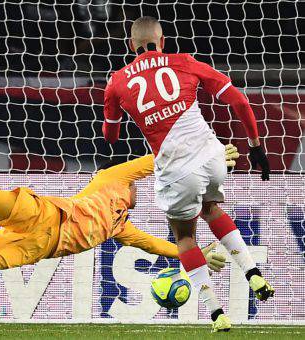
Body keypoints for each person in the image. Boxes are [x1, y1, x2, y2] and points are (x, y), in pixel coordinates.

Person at [102, 16, 274, 332]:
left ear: (131, 45)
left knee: (184, 237)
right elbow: (238, 99)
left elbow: (110, 137)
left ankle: (216, 312)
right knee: (209, 208)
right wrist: (256, 146)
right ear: (162, 40)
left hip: (177, 170)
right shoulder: (184, 62)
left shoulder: (117, 82)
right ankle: (253, 273)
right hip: (213, 157)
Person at [0, 147, 238, 278]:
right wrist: (207, 157)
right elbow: (155, 161)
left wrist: (197, 254)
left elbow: (158, 247)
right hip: (40, 215)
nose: (142, 189)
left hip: (32, 250)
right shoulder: (112, 177)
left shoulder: (121, 227)